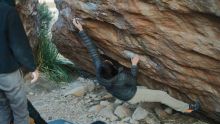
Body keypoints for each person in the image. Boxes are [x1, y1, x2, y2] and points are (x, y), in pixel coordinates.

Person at [72, 18, 200, 113]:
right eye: (108, 62)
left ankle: (168, 101)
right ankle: (188, 109)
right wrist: (134, 65)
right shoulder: (121, 77)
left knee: (150, 90)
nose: (107, 60)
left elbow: (92, 50)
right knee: (162, 96)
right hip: (132, 95)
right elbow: (133, 80)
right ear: (113, 69)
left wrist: (81, 30)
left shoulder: (100, 72)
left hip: (121, 93)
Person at [0, 1, 39, 124]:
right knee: (21, 115)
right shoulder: (8, 11)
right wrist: (32, 67)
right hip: (7, 73)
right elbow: (18, 44)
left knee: (2, 111)